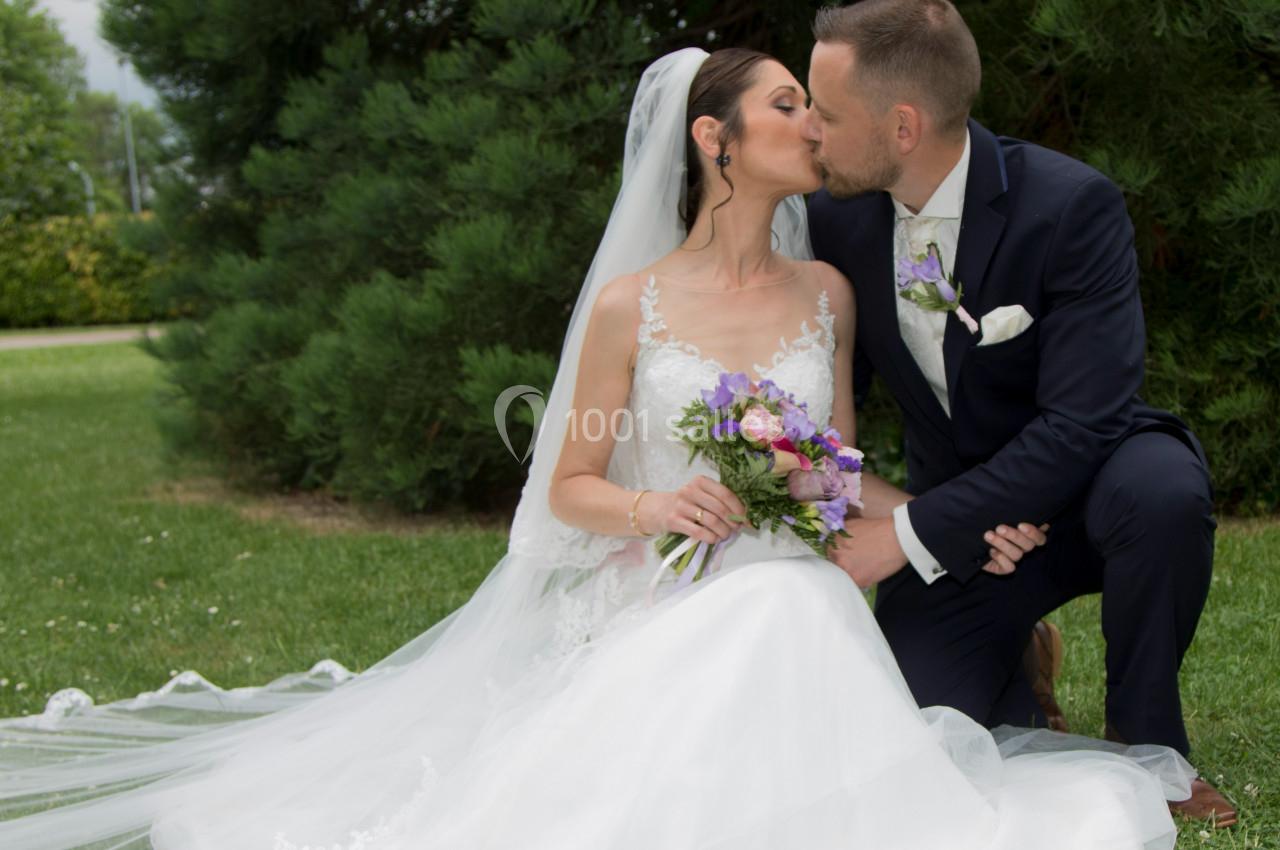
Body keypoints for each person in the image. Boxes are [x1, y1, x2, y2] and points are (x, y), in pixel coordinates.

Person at [0, 46, 1195, 850]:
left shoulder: (830, 281)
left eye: (812, 104)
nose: (811, 127)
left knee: (795, 606)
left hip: (796, 576)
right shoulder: (631, 304)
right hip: (660, 582)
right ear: (715, 140)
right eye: (787, 106)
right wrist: (662, 507)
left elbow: (828, 473)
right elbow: (563, 489)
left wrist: (954, 511)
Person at [803, 0, 1233, 827]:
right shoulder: (834, 221)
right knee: (930, 739)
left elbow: (1083, 424)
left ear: (902, 125)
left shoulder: (1071, 206)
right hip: (963, 530)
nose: (812, 133)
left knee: (1163, 491)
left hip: (1094, 488)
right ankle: (1022, 667)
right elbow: (829, 412)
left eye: (826, 114)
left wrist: (903, 534)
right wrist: (931, 515)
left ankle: (1151, 745)